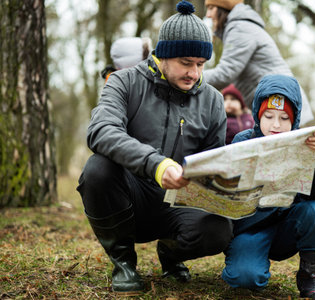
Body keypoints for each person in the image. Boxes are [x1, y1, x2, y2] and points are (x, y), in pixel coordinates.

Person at [76, 0, 233, 295]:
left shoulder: (212, 100)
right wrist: (157, 164)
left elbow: (214, 160)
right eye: (186, 63)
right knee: (97, 168)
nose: (194, 74)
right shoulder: (123, 82)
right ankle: (124, 263)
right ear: (163, 56)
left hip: (179, 201)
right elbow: (101, 131)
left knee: (218, 229)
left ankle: (171, 254)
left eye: (200, 65)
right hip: (130, 194)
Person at [221, 74, 315, 299]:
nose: (276, 125)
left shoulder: (306, 143)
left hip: (288, 225)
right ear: (257, 115)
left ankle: (311, 277)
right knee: (245, 279)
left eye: (284, 118)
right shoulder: (242, 142)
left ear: (294, 120)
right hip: (251, 228)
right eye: (269, 116)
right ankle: (245, 262)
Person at [203, 0, 315, 127]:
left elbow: (225, 73)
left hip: (281, 105)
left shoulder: (240, 28)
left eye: (211, 8)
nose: (208, 14)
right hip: (277, 104)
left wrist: (193, 78)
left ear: (223, 9)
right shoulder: (241, 26)